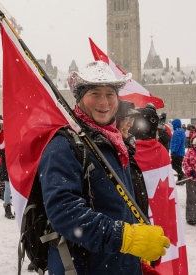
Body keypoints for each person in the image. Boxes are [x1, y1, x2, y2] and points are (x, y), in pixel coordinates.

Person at [39, 61, 170, 275]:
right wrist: (124, 238)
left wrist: (133, 260)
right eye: (94, 93)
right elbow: (64, 211)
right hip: (84, 267)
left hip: (117, 265)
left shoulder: (115, 143)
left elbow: (120, 206)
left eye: (110, 94)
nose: (104, 102)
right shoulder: (64, 145)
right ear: (79, 98)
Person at [115, 100, 149, 218]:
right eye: (127, 119)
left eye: (132, 120)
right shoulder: (115, 151)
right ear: (116, 120)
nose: (130, 124)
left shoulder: (127, 147)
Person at [0, 124, 15, 220]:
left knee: (17, 188)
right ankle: (7, 207)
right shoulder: (0, 135)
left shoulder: (13, 132)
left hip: (16, 163)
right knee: (8, 187)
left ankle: (17, 208)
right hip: (7, 163)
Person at [170, 118, 186, 184]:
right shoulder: (181, 131)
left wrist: (174, 151)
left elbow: (177, 143)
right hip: (180, 152)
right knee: (178, 166)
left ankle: (182, 176)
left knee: (174, 165)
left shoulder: (177, 132)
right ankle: (180, 179)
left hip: (177, 153)